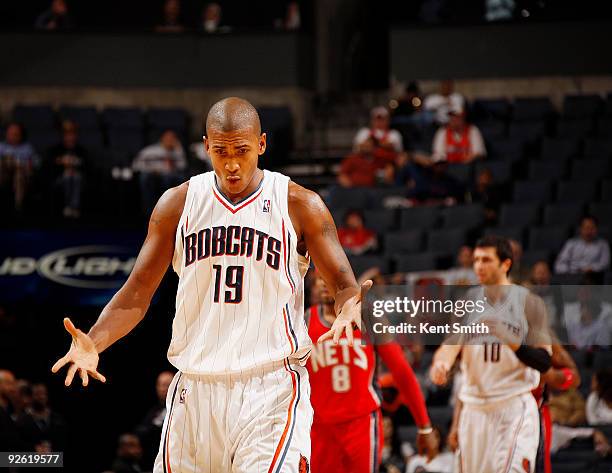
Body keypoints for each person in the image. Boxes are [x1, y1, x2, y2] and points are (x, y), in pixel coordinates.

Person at [52, 97, 369, 472]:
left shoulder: (300, 204)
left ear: (262, 145)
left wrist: (350, 306)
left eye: (242, 150)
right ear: (205, 146)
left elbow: (344, 283)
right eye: (220, 151)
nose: (231, 163)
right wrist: (96, 339)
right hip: (195, 389)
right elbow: (137, 292)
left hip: (270, 387)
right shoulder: (177, 204)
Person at [430, 235, 552, 473]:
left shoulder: (530, 303)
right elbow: (450, 346)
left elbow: (544, 361)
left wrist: (511, 339)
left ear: (505, 264)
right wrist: (441, 365)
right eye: (476, 260)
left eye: (486, 260)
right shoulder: (466, 303)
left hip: (513, 405)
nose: (478, 266)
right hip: (474, 410)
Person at [307, 275, 434, 473]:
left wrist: (424, 425)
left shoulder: (369, 317)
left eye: (328, 275)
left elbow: (402, 371)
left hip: (361, 424)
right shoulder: (303, 321)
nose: (323, 282)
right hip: (319, 428)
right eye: (318, 279)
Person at [132, 129, 187, 215]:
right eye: (168, 138)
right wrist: (151, 170)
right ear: (162, 138)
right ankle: (148, 211)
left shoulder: (176, 151)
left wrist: (178, 148)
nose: (170, 140)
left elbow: (182, 166)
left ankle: (170, 209)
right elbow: (136, 165)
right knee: (145, 178)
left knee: (174, 179)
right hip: (152, 174)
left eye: (172, 138)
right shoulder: (151, 150)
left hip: (169, 176)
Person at [46, 120, 89, 218]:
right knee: (67, 176)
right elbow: (49, 167)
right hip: (60, 178)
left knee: (75, 177)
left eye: (72, 135)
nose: (70, 138)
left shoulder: (81, 151)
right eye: (67, 135)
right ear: (63, 136)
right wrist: (61, 164)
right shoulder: (55, 150)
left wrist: (76, 164)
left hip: (78, 179)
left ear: (76, 136)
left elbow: (88, 167)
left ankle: (74, 207)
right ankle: (67, 206)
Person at [135, 371, 175, 470]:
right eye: (159, 385)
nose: (162, 389)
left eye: (166, 385)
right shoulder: (154, 409)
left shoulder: (178, 410)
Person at [554, 216, 610, 281]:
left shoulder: (603, 244)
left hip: (592, 278)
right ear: (581, 229)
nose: (589, 231)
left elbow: (605, 264)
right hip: (571, 277)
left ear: (596, 229)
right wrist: (570, 272)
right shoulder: (571, 243)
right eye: (586, 228)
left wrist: (592, 269)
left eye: (592, 228)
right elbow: (559, 264)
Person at [0, 122, 39, 213]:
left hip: (22, 175)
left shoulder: (27, 148)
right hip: (4, 174)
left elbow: (37, 162)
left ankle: (18, 207)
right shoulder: (1, 147)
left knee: (19, 174)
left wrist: (27, 164)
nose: (13, 136)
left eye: (16, 134)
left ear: (21, 135)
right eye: (10, 133)